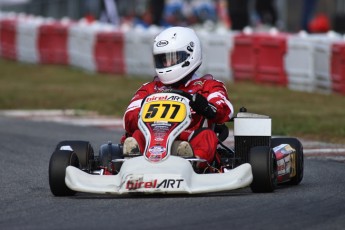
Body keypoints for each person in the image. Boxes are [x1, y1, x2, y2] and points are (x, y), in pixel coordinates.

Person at [122, 26, 234, 168]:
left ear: (190, 55)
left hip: (190, 138)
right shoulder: (150, 88)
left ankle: (191, 162)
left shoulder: (209, 86)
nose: (167, 64)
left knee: (207, 136)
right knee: (137, 135)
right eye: (163, 60)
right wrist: (141, 114)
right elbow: (128, 117)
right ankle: (133, 160)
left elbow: (225, 110)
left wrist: (206, 107)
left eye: (172, 58)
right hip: (153, 139)